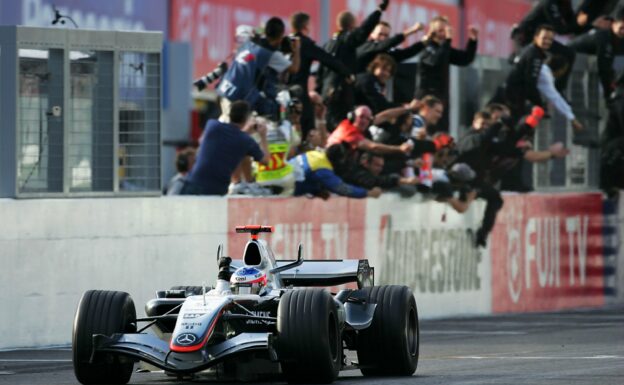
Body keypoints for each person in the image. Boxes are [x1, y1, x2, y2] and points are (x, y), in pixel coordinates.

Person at [317, 0, 390, 131]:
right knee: (341, 128)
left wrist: (319, 92)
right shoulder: (347, 39)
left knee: (330, 127)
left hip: (327, 93)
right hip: (340, 92)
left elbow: (320, 71)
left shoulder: (327, 44)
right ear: (351, 26)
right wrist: (379, 11)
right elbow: (364, 30)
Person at [217, 17, 300, 120]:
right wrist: (297, 49)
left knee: (224, 124)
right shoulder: (271, 55)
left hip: (226, 89)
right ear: (280, 36)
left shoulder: (251, 42)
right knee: (233, 131)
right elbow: (294, 69)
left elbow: (258, 31)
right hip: (238, 99)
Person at [181, 101, 270, 195]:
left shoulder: (212, 126)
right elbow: (266, 161)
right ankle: (246, 184)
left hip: (193, 182)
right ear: (246, 119)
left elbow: (230, 137)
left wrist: (245, 131)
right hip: (215, 190)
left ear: (229, 115)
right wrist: (263, 135)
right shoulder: (245, 141)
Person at [288, 12, 351, 138]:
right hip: (299, 92)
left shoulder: (284, 42)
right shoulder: (305, 44)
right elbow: (328, 59)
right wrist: (346, 73)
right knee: (307, 130)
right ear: (306, 26)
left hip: (282, 93)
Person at [416, 16, 478, 132]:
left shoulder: (444, 48)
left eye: (445, 30)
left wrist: (472, 41)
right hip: (427, 96)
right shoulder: (427, 47)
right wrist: (448, 41)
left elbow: (465, 59)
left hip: (441, 96)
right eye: (440, 30)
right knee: (425, 129)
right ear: (433, 31)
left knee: (441, 130)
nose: (444, 33)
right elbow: (436, 61)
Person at [510, 0, 577, 91]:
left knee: (568, 53)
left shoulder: (564, 4)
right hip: (525, 37)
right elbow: (560, 28)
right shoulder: (549, 3)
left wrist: (589, 24)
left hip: (539, 38)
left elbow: (573, 22)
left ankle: (557, 89)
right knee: (526, 66)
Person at [492, 24, 553, 120]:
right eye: (544, 38)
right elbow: (530, 84)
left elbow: (516, 52)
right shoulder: (534, 56)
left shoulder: (528, 50)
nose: (547, 42)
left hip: (504, 93)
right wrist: (540, 105)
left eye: (550, 39)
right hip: (512, 98)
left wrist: (515, 34)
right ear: (536, 37)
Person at [569, 6, 624, 102]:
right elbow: (603, 68)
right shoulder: (604, 38)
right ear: (613, 24)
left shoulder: (618, 38)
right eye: (622, 27)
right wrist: (609, 93)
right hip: (571, 58)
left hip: (588, 62)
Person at [289, 144, 383, 199]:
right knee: (274, 229)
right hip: (285, 190)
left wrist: (316, 191)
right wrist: (367, 193)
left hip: (281, 178)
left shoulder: (315, 154)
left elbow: (306, 174)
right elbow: (342, 189)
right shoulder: (323, 169)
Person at [326, 105, 413, 155]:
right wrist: (399, 149)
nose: (364, 121)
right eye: (361, 117)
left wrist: (408, 109)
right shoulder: (349, 131)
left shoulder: (356, 124)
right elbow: (373, 147)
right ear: (352, 117)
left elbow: (384, 116)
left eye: (367, 118)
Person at [355, 21, 425, 73]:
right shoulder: (366, 46)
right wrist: (412, 30)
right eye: (380, 34)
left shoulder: (385, 52)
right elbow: (384, 45)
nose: (383, 38)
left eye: (386, 35)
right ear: (371, 34)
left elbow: (405, 53)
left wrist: (424, 42)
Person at [342, 152, 418, 190]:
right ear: (366, 163)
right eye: (377, 165)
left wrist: (408, 163)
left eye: (381, 166)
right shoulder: (357, 172)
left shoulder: (375, 171)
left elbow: (389, 167)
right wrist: (402, 181)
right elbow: (375, 181)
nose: (380, 169)